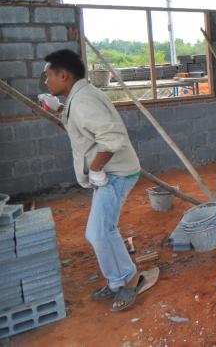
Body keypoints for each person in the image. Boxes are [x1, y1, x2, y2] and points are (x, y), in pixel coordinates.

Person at [40, 49, 147, 311]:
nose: (46, 82)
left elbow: (111, 138)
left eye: (48, 76)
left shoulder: (84, 100)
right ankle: (116, 280)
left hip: (114, 173)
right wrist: (61, 110)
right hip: (111, 172)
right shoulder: (79, 97)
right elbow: (86, 125)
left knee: (98, 232)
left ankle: (129, 279)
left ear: (63, 75)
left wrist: (97, 170)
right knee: (104, 230)